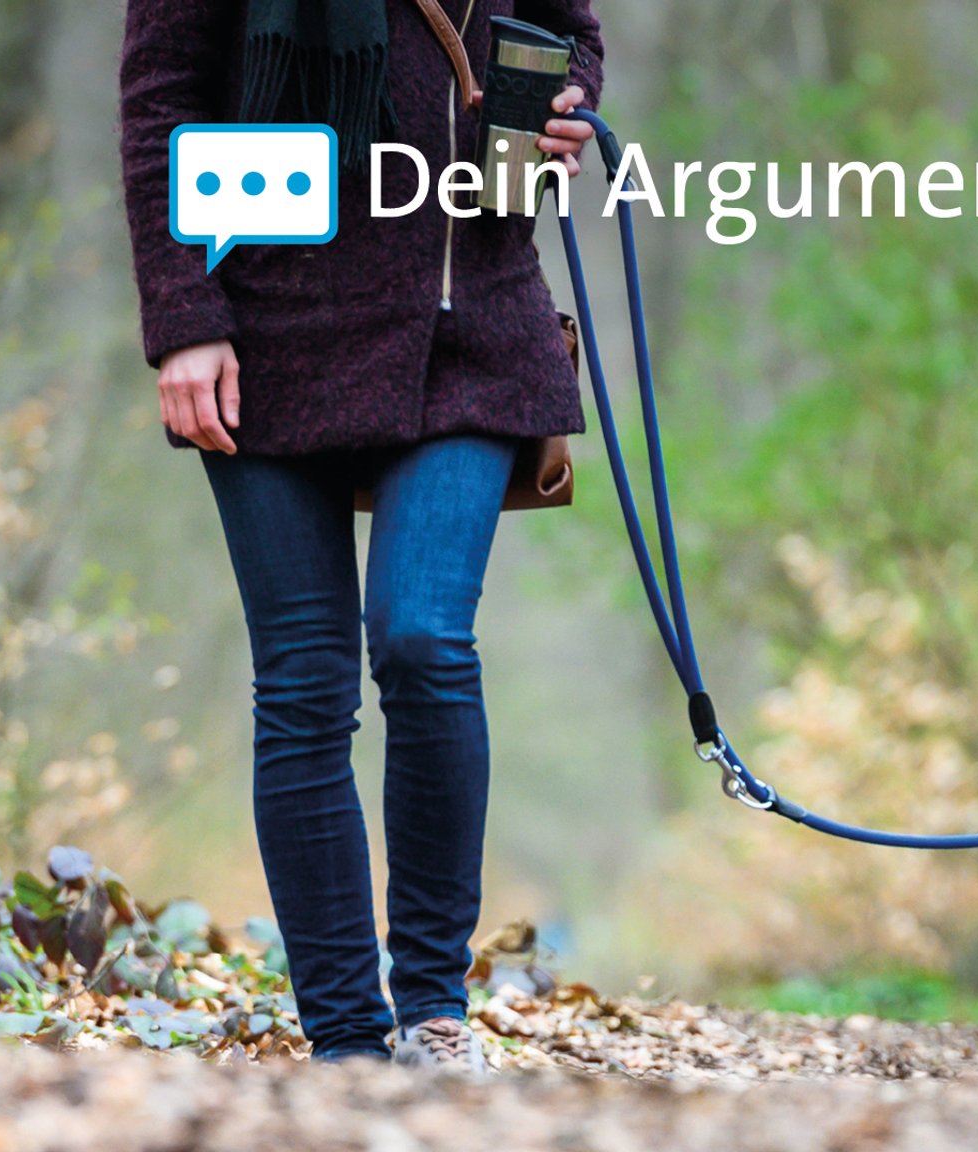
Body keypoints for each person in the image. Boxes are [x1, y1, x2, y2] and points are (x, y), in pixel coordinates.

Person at [118, 0, 605, 1071]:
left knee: (424, 639)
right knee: (302, 680)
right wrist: (183, 321)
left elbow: (568, 32)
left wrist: (568, 112)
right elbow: (160, 104)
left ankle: (432, 1011)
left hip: (467, 324)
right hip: (267, 325)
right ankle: (345, 1039)